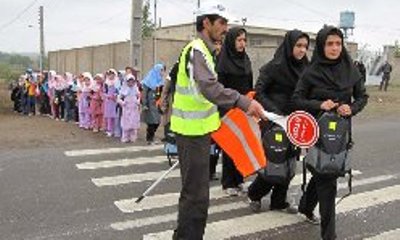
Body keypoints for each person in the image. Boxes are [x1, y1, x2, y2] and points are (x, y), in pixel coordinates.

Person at [170, 3, 265, 239]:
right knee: (196, 195)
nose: (226, 28)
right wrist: (243, 102)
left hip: (199, 132)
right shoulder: (197, 51)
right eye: (222, 22)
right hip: (191, 133)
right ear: (206, 23)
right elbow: (210, 89)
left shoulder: (206, 51)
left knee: (196, 194)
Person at [292, 26, 368, 240]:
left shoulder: (351, 70)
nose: (335, 48)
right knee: (327, 178)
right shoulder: (311, 71)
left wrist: (351, 108)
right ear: (322, 46)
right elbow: (297, 99)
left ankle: (306, 206)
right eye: (329, 43)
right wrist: (319, 104)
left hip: (340, 135)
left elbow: (362, 97)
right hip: (317, 133)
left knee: (325, 172)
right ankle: (329, 235)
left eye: (338, 43)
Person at [247, 29, 310, 213]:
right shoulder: (273, 67)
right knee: (274, 161)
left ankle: (278, 201)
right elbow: (259, 91)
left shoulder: (307, 69)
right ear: (290, 45)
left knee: (290, 161)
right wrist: (275, 110)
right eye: (298, 46)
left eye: (305, 46)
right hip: (273, 121)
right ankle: (255, 194)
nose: (302, 50)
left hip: (294, 122)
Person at [216, 26, 254, 195]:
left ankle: (239, 179)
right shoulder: (222, 62)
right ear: (231, 41)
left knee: (241, 145)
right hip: (227, 108)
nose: (242, 43)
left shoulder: (245, 60)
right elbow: (219, 89)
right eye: (239, 40)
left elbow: (249, 84)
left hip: (243, 107)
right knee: (230, 146)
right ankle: (228, 183)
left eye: (244, 40)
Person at [141, 63, 165, 145]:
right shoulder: (148, 80)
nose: (162, 72)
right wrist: (144, 104)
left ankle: (152, 137)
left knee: (157, 122)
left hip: (157, 104)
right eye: (161, 70)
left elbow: (162, 92)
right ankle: (149, 139)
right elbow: (144, 93)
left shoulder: (160, 81)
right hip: (150, 104)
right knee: (151, 122)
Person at [118, 74, 141, 143]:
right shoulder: (124, 89)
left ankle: (133, 137)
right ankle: (125, 137)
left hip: (134, 108)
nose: (131, 83)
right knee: (126, 122)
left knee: (134, 121)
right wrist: (122, 103)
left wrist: (138, 101)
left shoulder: (135, 89)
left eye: (132, 82)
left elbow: (139, 96)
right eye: (129, 82)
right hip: (127, 107)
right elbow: (118, 98)